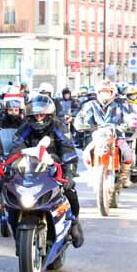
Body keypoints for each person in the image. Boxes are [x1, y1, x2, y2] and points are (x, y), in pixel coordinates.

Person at [9, 94, 84, 247]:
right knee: (10, 198)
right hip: (30, 170)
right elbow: (16, 148)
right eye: (35, 115)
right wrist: (10, 164)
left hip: (55, 169)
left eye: (42, 115)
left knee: (70, 192)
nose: (39, 119)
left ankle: (74, 221)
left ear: (49, 114)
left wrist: (68, 173)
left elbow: (68, 149)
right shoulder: (25, 128)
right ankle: (16, 231)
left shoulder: (59, 127)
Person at [74, 80, 133, 187]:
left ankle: (124, 176)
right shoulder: (89, 105)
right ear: (98, 93)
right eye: (103, 91)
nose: (105, 94)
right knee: (87, 154)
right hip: (97, 137)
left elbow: (129, 117)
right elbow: (80, 118)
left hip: (117, 136)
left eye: (108, 92)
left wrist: (128, 125)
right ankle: (92, 173)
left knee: (127, 153)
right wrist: (81, 125)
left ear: (113, 93)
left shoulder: (121, 105)